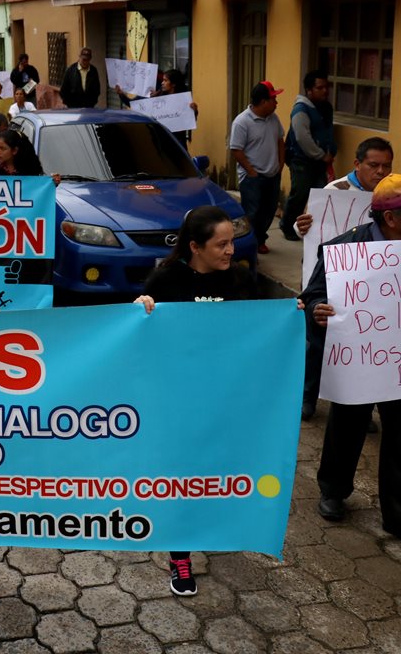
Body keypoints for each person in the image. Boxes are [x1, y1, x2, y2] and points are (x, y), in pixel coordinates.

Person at [302, 174, 401, 554]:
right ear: (391, 219)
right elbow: (313, 294)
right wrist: (318, 310)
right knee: (347, 425)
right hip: (359, 360)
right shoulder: (344, 249)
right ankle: (334, 491)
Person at [134, 206, 259, 595]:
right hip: (177, 401)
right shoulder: (166, 279)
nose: (229, 251)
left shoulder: (239, 278)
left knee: (217, 469)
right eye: (220, 244)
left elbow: (257, 328)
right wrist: (140, 309)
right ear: (194, 247)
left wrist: (291, 317)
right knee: (181, 476)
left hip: (224, 397)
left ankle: (218, 526)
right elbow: (136, 336)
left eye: (232, 242)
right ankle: (180, 554)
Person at [229, 81, 285, 254]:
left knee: (268, 212)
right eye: (273, 99)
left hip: (272, 174)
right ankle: (248, 245)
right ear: (263, 102)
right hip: (253, 177)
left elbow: (279, 141)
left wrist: (280, 165)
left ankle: (260, 239)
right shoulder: (242, 122)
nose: (276, 103)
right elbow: (236, 150)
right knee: (252, 213)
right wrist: (251, 171)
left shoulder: (274, 118)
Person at [279, 71, 334, 240]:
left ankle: (315, 230)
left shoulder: (324, 107)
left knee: (321, 195)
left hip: (319, 162)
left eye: (326, 87)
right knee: (300, 194)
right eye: (320, 87)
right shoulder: (301, 110)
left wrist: (330, 151)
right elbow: (303, 137)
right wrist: (321, 155)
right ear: (309, 90)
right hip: (302, 160)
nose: (325, 90)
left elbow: (327, 131)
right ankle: (288, 226)